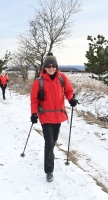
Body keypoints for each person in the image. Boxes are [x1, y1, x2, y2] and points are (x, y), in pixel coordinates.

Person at [30, 52, 78, 182]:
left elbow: (69, 91)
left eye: (53, 65)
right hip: (45, 115)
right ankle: (49, 170)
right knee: (49, 142)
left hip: (58, 114)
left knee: (53, 140)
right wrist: (34, 113)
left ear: (56, 67)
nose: (51, 68)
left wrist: (71, 100)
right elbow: (34, 100)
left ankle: (49, 154)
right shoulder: (38, 82)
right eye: (48, 66)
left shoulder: (62, 78)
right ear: (44, 67)